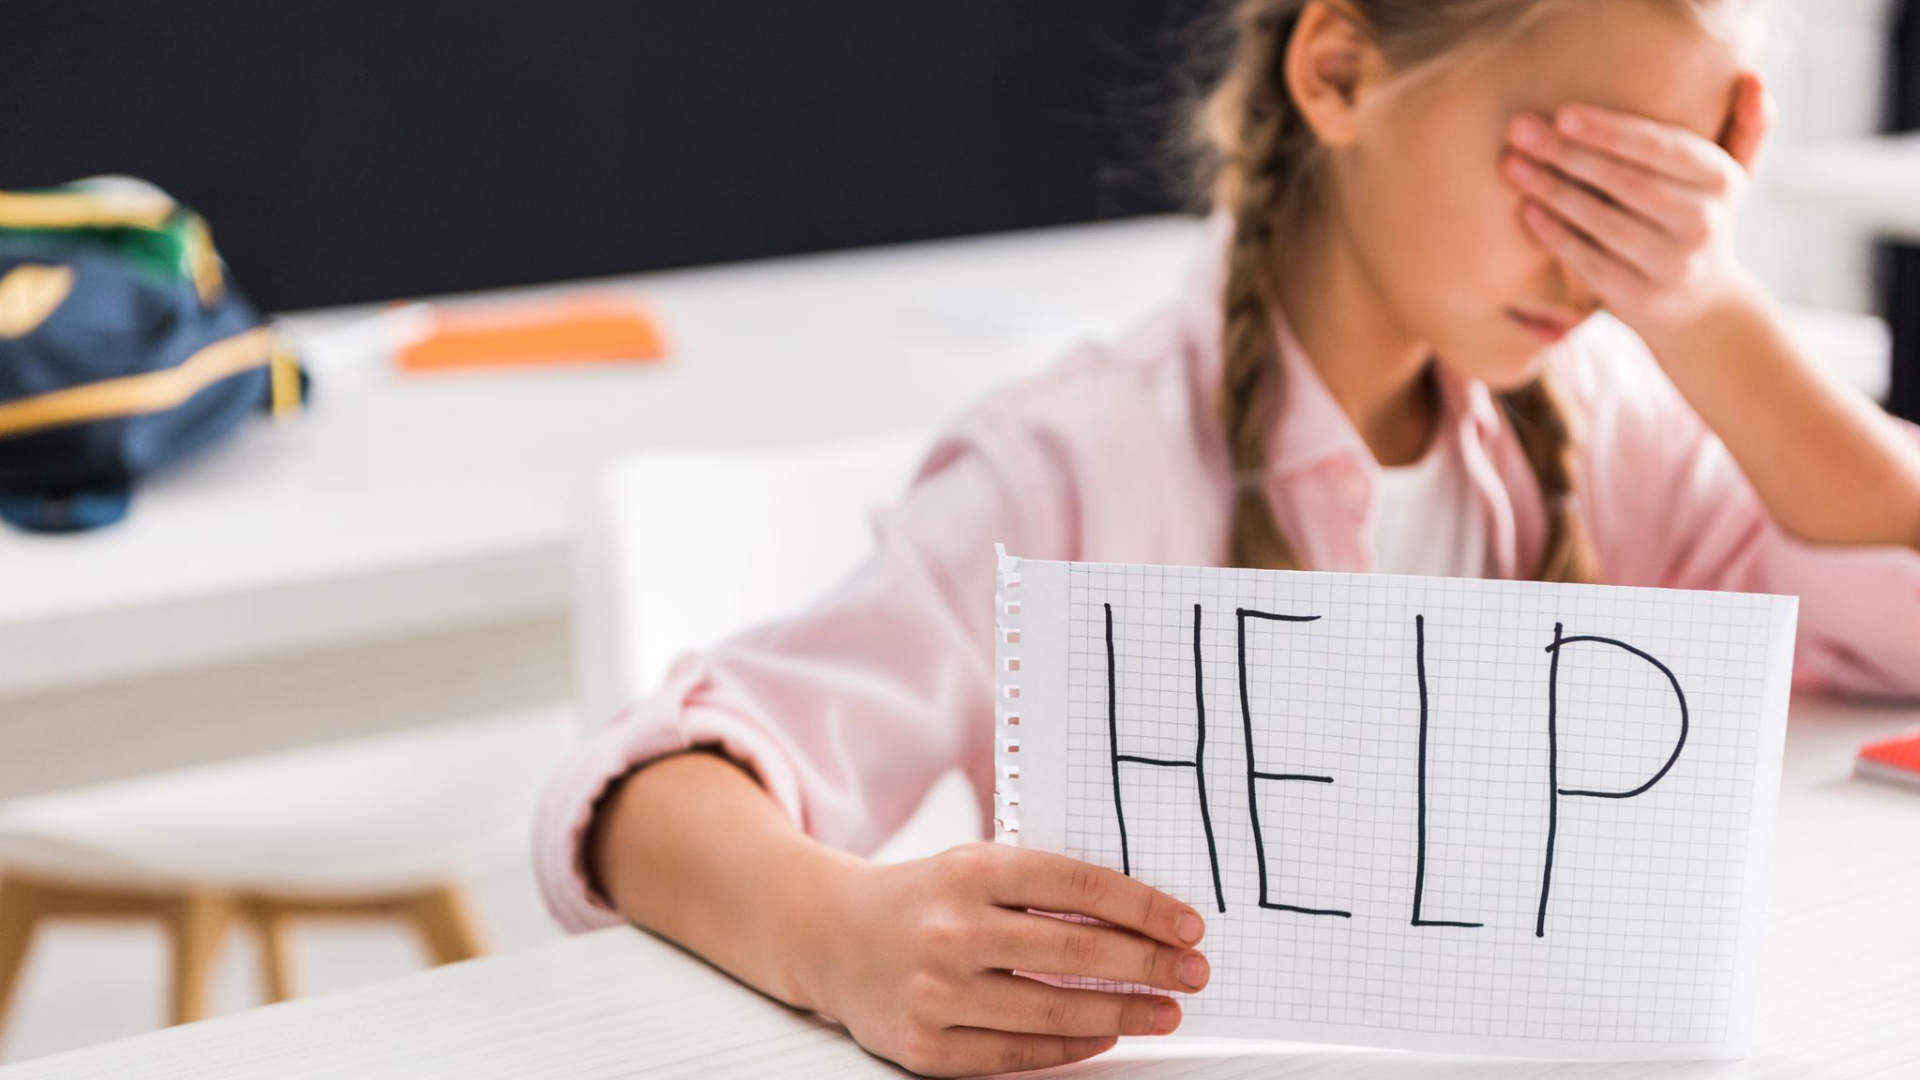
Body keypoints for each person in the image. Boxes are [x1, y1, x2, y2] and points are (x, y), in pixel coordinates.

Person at [536, 1, 1920, 1075]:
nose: (1614, 255)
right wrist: (836, 941)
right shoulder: (1080, 465)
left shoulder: (1610, 420)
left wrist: (1712, 315)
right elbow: (641, 790)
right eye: (1584, 174)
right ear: (1339, 74)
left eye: (1674, 199)